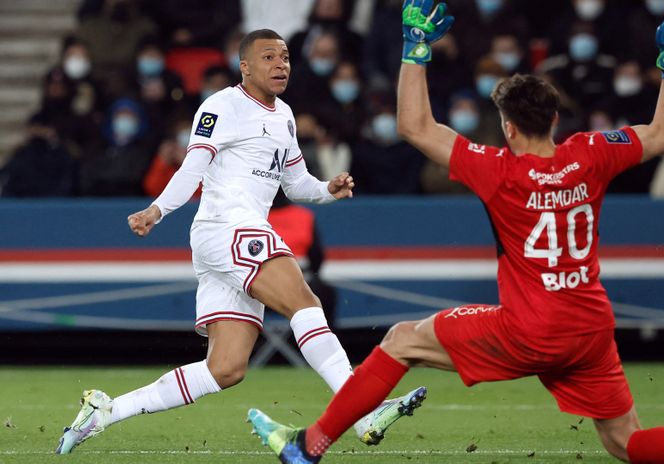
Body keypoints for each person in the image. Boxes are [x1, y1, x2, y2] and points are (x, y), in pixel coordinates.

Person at [245, 3, 664, 464]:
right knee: (623, 439)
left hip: (529, 329)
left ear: (509, 128)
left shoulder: (498, 170)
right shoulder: (591, 153)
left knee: (402, 340)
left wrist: (415, 48)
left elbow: (415, 127)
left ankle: (308, 446)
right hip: (589, 328)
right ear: (555, 120)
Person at [56, 28, 424, 454]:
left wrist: (327, 189)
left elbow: (295, 182)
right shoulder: (222, 106)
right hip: (228, 226)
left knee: (226, 368)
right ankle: (361, 408)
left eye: (285, 57)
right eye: (268, 57)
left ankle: (105, 411)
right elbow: (193, 167)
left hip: (225, 240)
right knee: (304, 302)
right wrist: (158, 209)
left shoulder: (285, 115)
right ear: (244, 66)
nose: (280, 64)